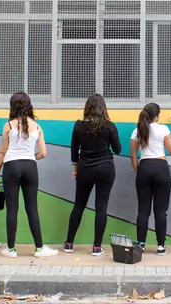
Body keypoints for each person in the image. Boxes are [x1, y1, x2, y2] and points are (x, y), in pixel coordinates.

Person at [0, 92, 58, 258]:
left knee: (12, 208)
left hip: (11, 166)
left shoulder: (8, 126)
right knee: (32, 207)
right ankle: (39, 248)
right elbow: (44, 153)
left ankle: (11, 249)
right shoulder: (37, 126)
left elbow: (2, 152)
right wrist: (31, 158)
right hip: (30, 167)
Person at [63, 94, 122, 256]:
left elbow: (74, 149)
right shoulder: (109, 126)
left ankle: (69, 243)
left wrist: (75, 166)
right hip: (105, 168)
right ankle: (97, 247)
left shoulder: (79, 125)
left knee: (79, 205)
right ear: (103, 108)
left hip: (85, 169)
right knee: (101, 207)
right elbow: (118, 149)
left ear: (87, 107)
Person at [130, 103, 171, 256]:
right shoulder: (163, 129)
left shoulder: (137, 131)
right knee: (161, 211)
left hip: (144, 167)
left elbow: (133, 156)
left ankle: (141, 244)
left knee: (143, 210)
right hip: (161, 168)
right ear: (156, 116)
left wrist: (139, 171)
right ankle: (161, 246)